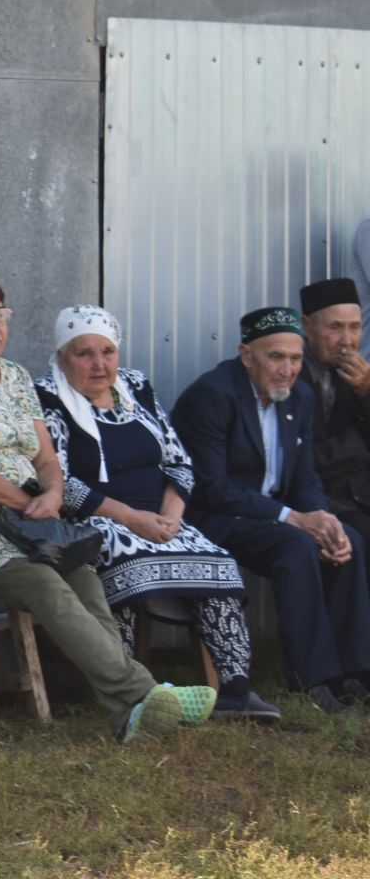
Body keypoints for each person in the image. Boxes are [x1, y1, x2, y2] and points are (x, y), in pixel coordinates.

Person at [0, 273, 214, 742]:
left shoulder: (13, 376)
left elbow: (46, 457)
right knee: (46, 586)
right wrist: (28, 503)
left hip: (36, 519)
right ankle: (146, 691)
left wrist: (51, 495)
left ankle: (128, 718)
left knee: (86, 582)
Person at [34, 305, 279, 721]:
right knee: (121, 562)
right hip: (95, 519)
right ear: (62, 357)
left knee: (218, 563)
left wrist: (171, 517)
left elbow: (178, 461)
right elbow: (60, 482)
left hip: (160, 518)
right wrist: (132, 519)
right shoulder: (48, 396)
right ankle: (134, 693)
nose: (99, 364)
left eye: (107, 352)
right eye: (84, 354)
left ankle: (235, 690)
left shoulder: (136, 386)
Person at [171, 305, 370, 714]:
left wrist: (323, 519)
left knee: (348, 540)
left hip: (269, 515)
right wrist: (294, 518)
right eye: (275, 357)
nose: (287, 369)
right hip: (215, 518)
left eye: (295, 358)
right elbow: (211, 488)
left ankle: (355, 672)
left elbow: (306, 478)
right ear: (247, 355)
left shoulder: (298, 396)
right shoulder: (211, 396)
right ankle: (310, 679)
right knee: (295, 547)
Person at [301, 277, 370, 540]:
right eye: (335, 327)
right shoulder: (290, 371)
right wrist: (359, 443)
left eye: (355, 327)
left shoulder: (359, 372)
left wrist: (366, 393)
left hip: (358, 492)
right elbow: (307, 459)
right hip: (319, 499)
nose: (347, 341)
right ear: (307, 326)